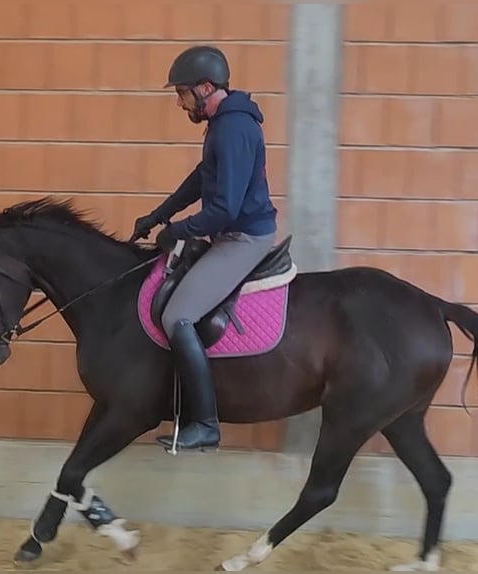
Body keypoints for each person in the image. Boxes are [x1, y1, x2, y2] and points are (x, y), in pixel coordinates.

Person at [130, 45, 278, 451]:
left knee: (178, 315)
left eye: (182, 94)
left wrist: (176, 231)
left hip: (243, 237)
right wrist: (159, 214)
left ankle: (206, 425)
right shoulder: (222, 124)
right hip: (228, 231)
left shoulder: (233, 128)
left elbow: (222, 209)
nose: (180, 103)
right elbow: (202, 177)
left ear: (206, 87)